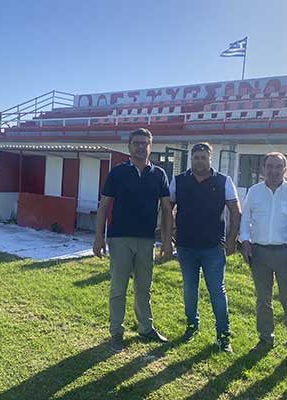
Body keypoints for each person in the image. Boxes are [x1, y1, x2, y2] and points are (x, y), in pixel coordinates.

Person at [93, 128, 173, 352]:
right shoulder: (117, 173)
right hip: (120, 238)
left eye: (144, 143)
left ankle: (145, 328)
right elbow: (104, 206)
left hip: (146, 240)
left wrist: (167, 239)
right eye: (136, 143)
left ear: (150, 147)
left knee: (144, 288)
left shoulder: (159, 174)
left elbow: (166, 209)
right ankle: (116, 332)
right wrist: (99, 237)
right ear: (129, 146)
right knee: (118, 288)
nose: (140, 147)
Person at [169, 142, 241, 352]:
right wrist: (170, 231)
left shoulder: (224, 181)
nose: (199, 161)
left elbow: (235, 211)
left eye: (203, 157)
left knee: (217, 290)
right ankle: (192, 325)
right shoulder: (178, 181)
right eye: (196, 157)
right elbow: (167, 208)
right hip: (186, 246)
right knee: (189, 288)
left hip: (213, 247)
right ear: (191, 159)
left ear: (210, 158)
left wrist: (232, 239)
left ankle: (223, 335)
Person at [239, 152, 287, 368]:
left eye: (278, 167)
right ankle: (265, 338)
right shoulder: (255, 191)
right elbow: (245, 218)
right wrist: (245, 241)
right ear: (263, 168)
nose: (274, 171)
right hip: (259, 253)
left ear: (285, 170)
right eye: (269, 166)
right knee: (263, 299)